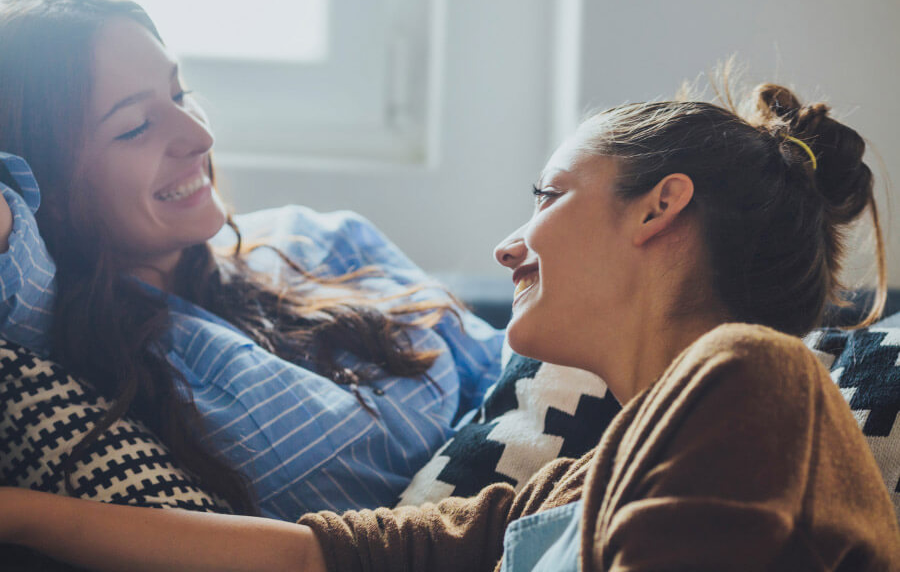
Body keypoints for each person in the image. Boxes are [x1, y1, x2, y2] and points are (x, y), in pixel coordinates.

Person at [4, 79, 900, 570]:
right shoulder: (576, 487)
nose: (510, 248)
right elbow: (309, 557)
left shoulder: (757, 381)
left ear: (659, 208)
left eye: (546, 200)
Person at [0, 0, 503, 521]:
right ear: (44, 189)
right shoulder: (55, 326)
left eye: (177, 95)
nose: (198, 136)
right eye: (136, 127)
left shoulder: (321, 240)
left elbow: (510, 373)